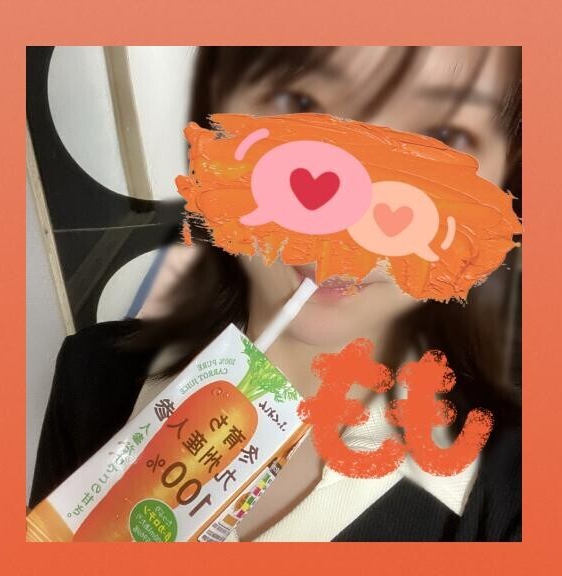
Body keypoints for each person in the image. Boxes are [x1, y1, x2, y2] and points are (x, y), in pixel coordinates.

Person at [28, 46, 521, 541]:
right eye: (301, 105)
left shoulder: (515, 490)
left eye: (439, 138)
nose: (346, 223)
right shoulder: (90, 376)